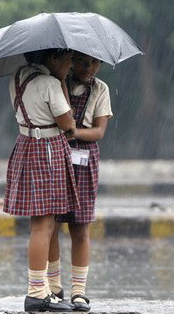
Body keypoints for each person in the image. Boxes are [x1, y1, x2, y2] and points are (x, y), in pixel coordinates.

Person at [3, 48, 80, 312]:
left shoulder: (18, 77)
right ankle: (36, 292)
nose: (71, 66)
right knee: (43, 223)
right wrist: (60, 84)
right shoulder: (49, 84)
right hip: (46, 150)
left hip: (26, 145)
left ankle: (47, 289)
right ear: (53, 58)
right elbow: (68, 123)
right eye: (68, 60)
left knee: (44, 223)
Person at [47, 52, 113, 312]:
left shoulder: (101, 89)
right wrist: (61, 83)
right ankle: (53, 286)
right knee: (50, 224)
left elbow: (98, 131)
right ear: (71, 60)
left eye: (95, 63)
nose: (90, 68)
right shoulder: (56, 83)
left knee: (80, 226)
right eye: (84, 62)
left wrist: (74, 132)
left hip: (84, 157)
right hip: (56, 154)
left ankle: (79, 290)